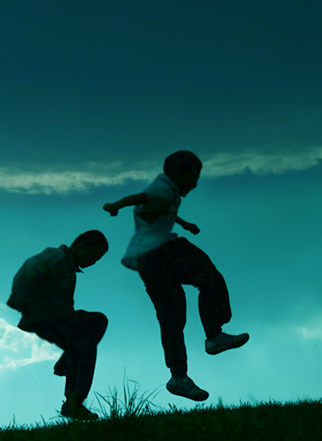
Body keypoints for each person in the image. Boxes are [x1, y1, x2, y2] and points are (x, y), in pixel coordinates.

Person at [104, 150, 248, 402]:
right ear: (180, 173)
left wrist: (184, 224)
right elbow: (141, 198)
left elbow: (160, 206)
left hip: (147, 260)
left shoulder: (166, 190)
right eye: (193, 177)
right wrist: (116, 205)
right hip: (162, 251)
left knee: (171, 315)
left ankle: (178, 377)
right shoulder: (161, 190)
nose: (195, 184)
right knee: (210, 277)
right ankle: (214, 335)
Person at [8, 230, 110, 421]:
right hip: (43, 316)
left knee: (86, 339)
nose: (94, 262)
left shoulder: (70, 269)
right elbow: (29, 268)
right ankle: (74, 402)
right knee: (87, 338)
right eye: (95, 256)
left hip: (59, 316)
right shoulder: (56, 256)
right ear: (82, 245)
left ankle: (73, 398)